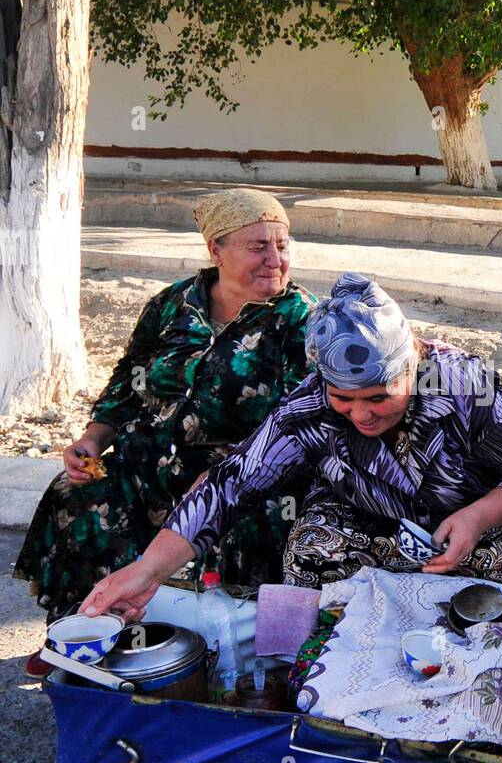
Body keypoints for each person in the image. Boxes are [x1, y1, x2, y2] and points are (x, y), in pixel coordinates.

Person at [78, 272, 502, 623]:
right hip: (366, 523)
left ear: (411, 364)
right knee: (312, 547)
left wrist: (479, 517)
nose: (362, 415)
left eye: (378, 396)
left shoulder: (462, 383)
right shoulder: (309, 405)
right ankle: (327, 679)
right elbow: (232, 482)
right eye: (343, 399)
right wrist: (147, 572)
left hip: (475, 522)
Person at [15, 190, 316, 631]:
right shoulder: (173, 305)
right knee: (75, 492)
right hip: (147, 469)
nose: (274, 260)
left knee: (254, 521)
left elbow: (297, 420)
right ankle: (81, 630)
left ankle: (219, 645)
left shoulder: (300, 319)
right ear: (216, 249)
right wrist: (92, 441)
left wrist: (227, 475)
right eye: (258, 247)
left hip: (236, 482)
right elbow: (128, 380)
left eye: (281, 246)